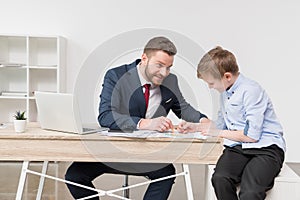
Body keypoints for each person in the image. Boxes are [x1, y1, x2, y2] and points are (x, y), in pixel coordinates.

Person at [65, 36, 208, 200]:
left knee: (166, 174)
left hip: (147, 154)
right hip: (112, 152)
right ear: (144, 58)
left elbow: (183, 108)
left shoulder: (170, 80)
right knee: (74, 176)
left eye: (168, 67)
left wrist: (203, 121)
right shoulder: (116, 76)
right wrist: (145, 123)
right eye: (159, 65)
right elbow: (105, 116)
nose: (164, 73)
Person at [178, 46, 286, 200]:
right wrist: (195, 127)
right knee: (220, 178)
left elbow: (251, 136)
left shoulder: (251, 91)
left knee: (250, 192)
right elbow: (221, 125)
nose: (210, 87)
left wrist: (217, 133)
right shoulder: (225, 93)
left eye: (211, 83)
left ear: (227, 76)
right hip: (238, 147)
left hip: (266, 149)